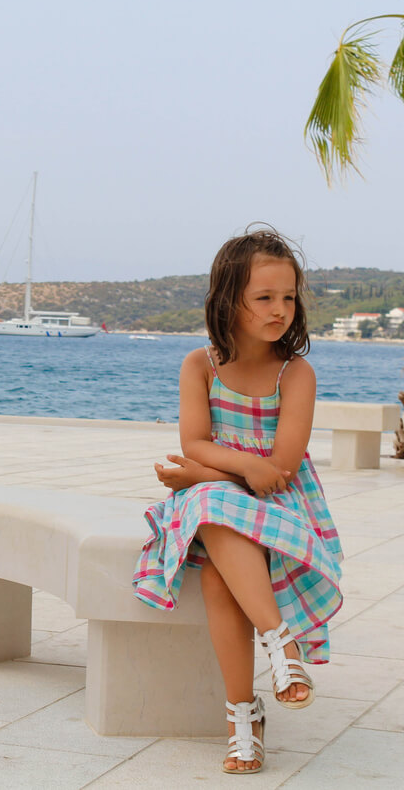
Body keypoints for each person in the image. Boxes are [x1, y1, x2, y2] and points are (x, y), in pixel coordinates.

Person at [132, 225, 343, 775]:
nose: (280, 310)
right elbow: (194, 442)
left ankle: (243, 719)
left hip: (280, 506)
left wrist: (204, 475)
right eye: (264, 297)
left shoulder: (296, 373)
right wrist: (240, 466)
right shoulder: (200, 365)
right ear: (229, 300)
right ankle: (279, 646)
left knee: (213, 552)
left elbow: (280, 471)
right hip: (219, 501)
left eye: (288, 298)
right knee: (211, 510)